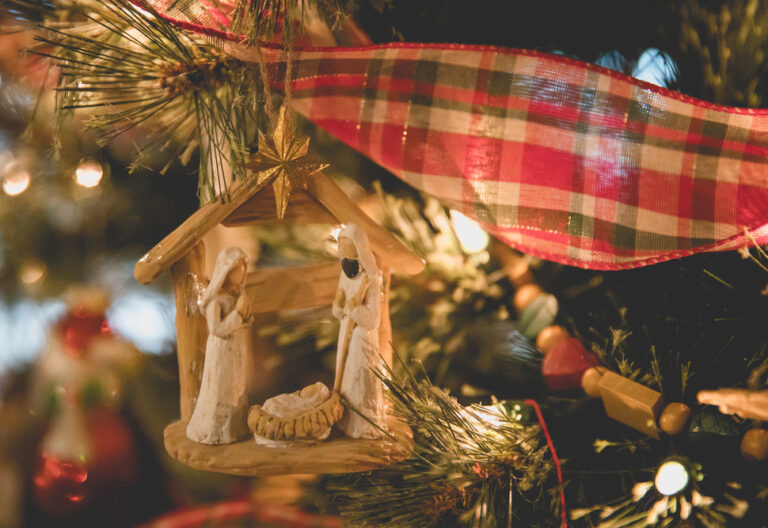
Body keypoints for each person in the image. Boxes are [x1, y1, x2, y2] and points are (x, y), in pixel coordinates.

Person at [186, 247, 252, 444]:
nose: (240, 273)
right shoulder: (216, 300)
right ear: (226, 271)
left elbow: (246, 321)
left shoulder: (238, 295)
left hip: (235, 350)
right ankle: (215, 431)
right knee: (221, 390)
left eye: (243, 268)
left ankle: (236, 427)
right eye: (236, 269)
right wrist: (237, 315)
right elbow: (216, 328)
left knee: (236, 388)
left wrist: (246, 315)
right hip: (222, 351)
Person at [332, 224, 387, 439]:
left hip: (362, 339)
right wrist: (339, 305)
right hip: (345, 333)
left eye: (350, 253)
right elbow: (338, 311)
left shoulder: (370, 280)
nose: (346, 259)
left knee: (360, 378)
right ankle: (346, 421)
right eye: (343, 254)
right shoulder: (344, 276)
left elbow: (373, 320)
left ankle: (364, 425)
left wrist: (355, 309)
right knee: (346, 379)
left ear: (360, 251)